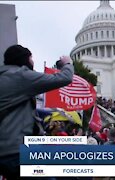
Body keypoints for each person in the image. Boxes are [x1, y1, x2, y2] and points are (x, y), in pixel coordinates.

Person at [0, 44, 74, 179]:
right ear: (24, 60)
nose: (33, 62)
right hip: (17, 151)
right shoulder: (21, 76)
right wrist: (67, 64)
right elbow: (64, 78)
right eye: (31, 58)